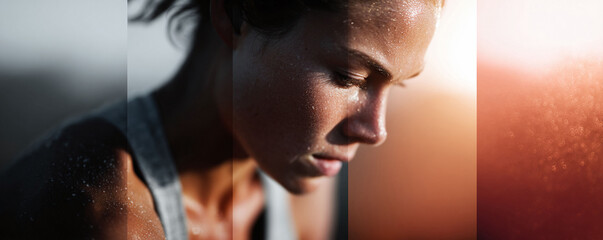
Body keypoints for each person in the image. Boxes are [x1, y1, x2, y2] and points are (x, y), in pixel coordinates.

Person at [0, 0, 443, 239]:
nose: (375, 130)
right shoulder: (104, 216)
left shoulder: (296, 183)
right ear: (233, 15)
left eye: (396, 85)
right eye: (350, 76)